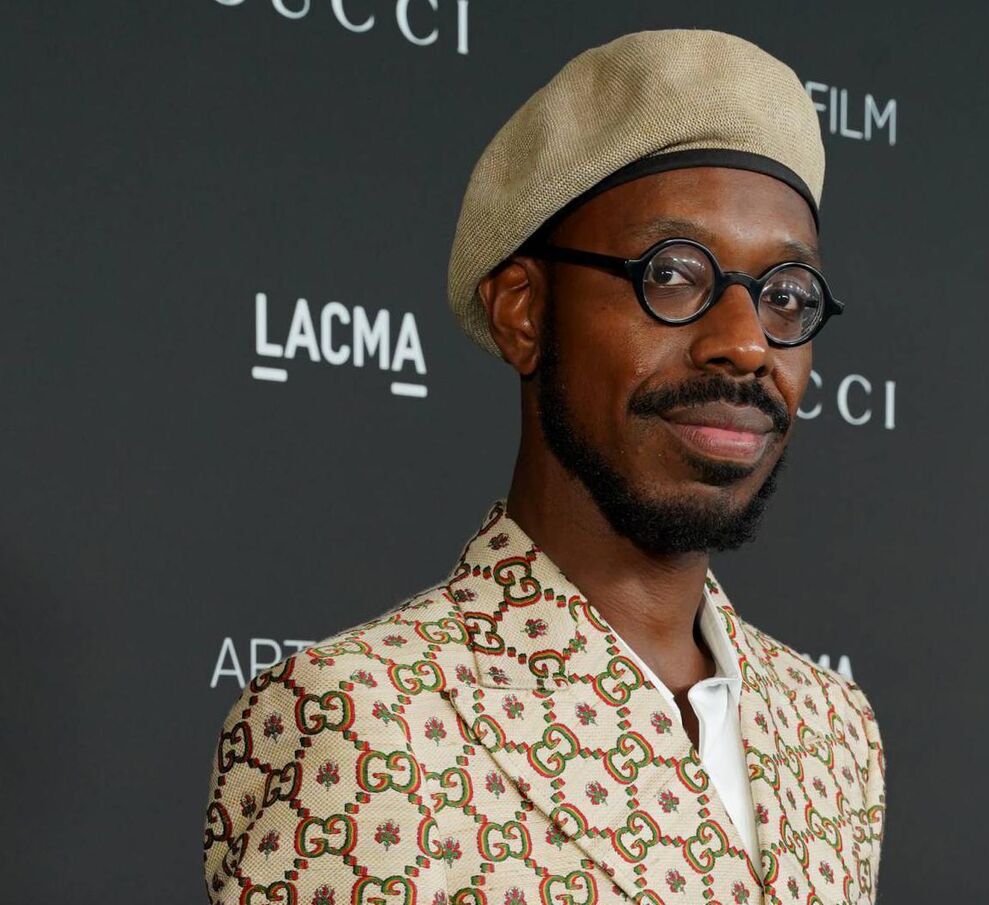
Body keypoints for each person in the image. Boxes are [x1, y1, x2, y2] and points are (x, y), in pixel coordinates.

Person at [203, 28, 885, 905]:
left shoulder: (832, 728)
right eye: (673, 275)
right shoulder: (369, 722)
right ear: (524, 312)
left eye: (786, 294)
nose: (747, 343)